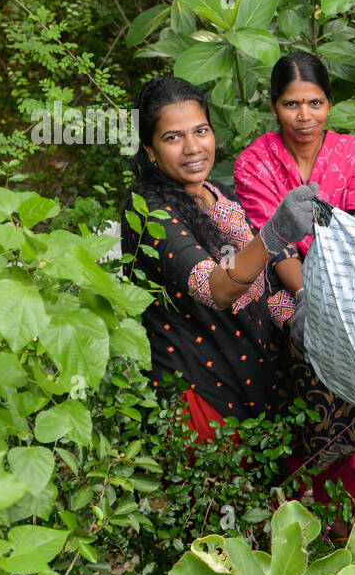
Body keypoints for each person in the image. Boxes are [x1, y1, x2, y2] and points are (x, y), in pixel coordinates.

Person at [233, 51, 355, 506]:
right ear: (273, 106)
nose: (304, 116)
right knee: (297, 403)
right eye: (291, 104)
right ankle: (293, 513)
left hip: (349, 288)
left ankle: (341, 512)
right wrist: (308, 293)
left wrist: (334, 289)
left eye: (315, 103)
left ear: (329, 104)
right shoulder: (255, 162)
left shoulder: (352, 153)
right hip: (287, 293)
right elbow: (273, 239)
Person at [124, 75, 320, 452]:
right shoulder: (147, 210)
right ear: (149, 150)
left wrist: (298, 316)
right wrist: (274, 233)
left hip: (253, 375)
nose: (192, 147)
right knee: (220, 503)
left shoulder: (217, 194)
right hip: (201, 391)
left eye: (201, 131)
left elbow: (260, 287)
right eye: (172, 137)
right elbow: (217, 289)